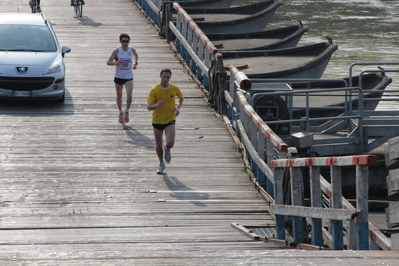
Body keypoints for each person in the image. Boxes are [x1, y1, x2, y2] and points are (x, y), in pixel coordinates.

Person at [147, 68, 184, 174]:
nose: (166, 79)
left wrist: (178, 108)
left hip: (170, 118)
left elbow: (181, 98)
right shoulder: (155, 90)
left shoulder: (174, 88)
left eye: (168, 77)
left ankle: (167, 149)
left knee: (170, 142)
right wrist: (156, 105)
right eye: (164, 77)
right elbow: (149, 107)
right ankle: (161, 163)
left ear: (170, 77)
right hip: (157, 120)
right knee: (158, 143)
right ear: (160, 76)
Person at [107, 33, 139, 123]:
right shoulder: (117, 50)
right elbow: (108, 62)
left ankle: (127, 111)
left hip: (129, 76)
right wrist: (116, 63)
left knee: (129, 95)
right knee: (119, 96)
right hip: (119, 76)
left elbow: (136, 56)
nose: (125, 43)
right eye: (123, 41)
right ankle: (120, 111)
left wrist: (135, 63)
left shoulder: (131, 50)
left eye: (127, 41)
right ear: (120, 41)